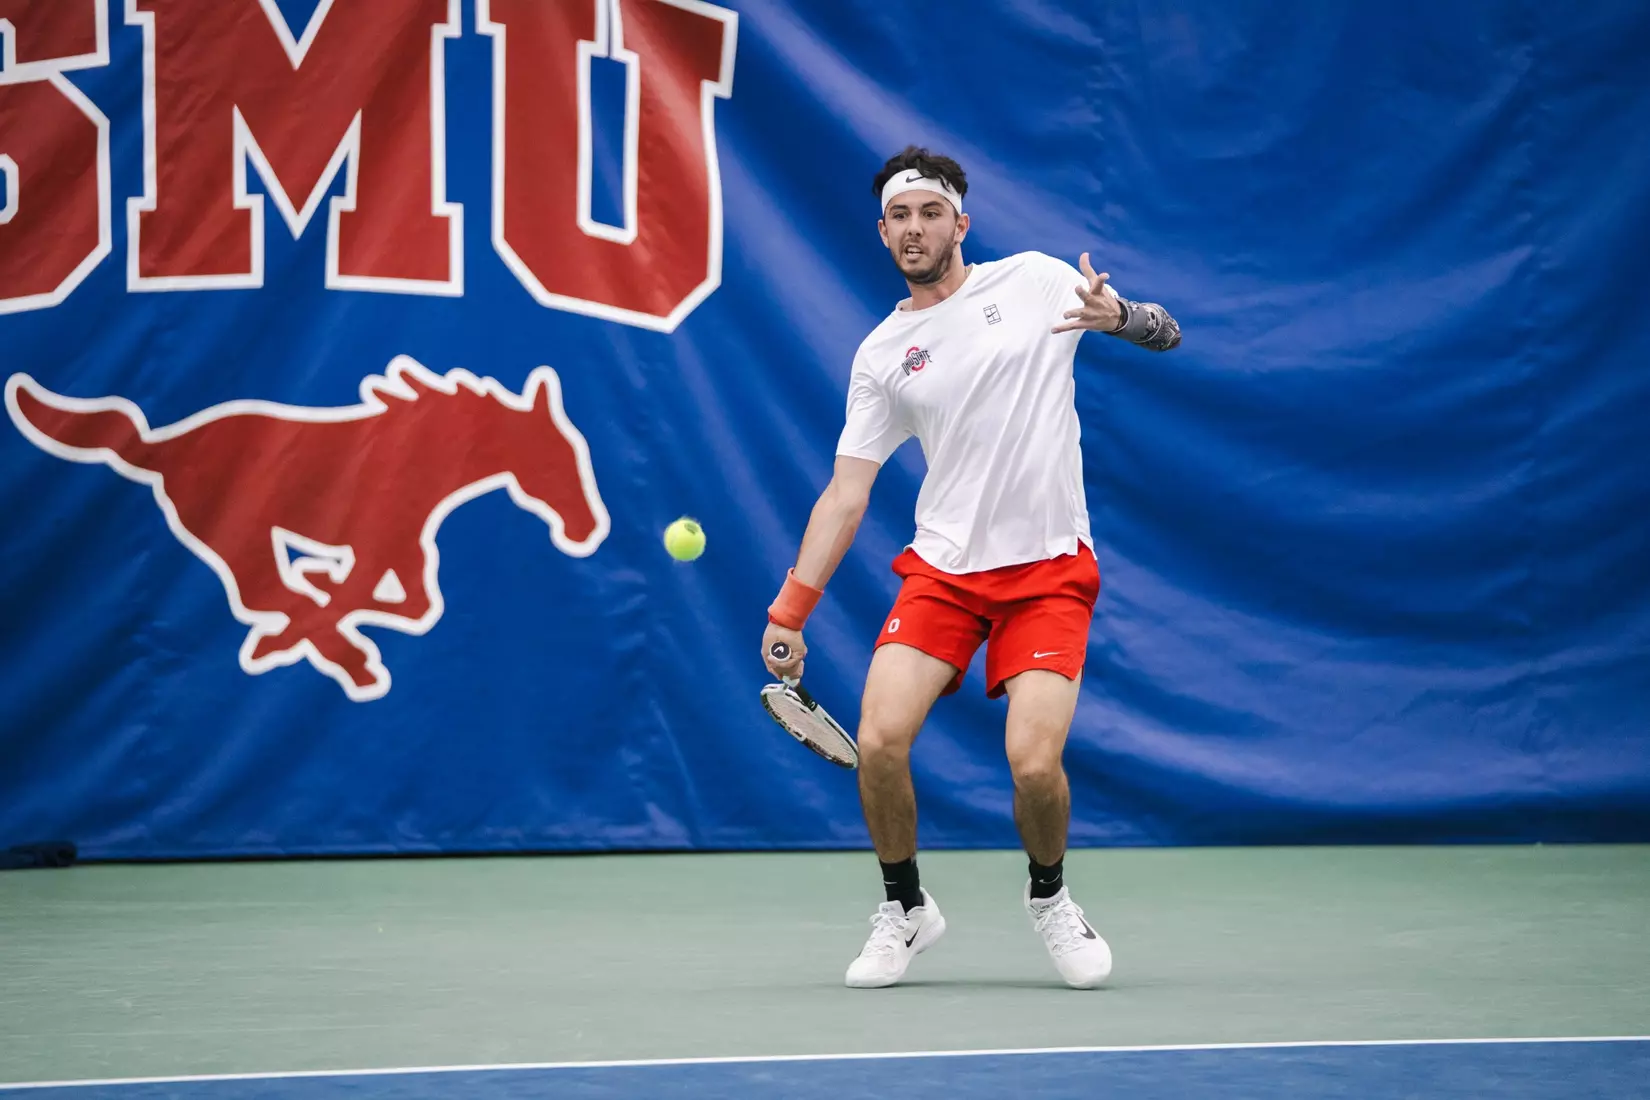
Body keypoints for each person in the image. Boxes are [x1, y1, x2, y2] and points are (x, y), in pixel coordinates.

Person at [761, 145, 1182, 990]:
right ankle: (906, 908)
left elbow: (1166, 332)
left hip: (1050, 569)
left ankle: (1050, 897)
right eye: (900, 218)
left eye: (930, 213)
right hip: (945, 573)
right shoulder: (882, 354)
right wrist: (787, 613)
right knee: (880, 737)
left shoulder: (1033, 280)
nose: (915, 229)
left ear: (962, 222)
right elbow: (846, 496)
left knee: (1032, 762)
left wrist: (1121, 317)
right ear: (883, 234)